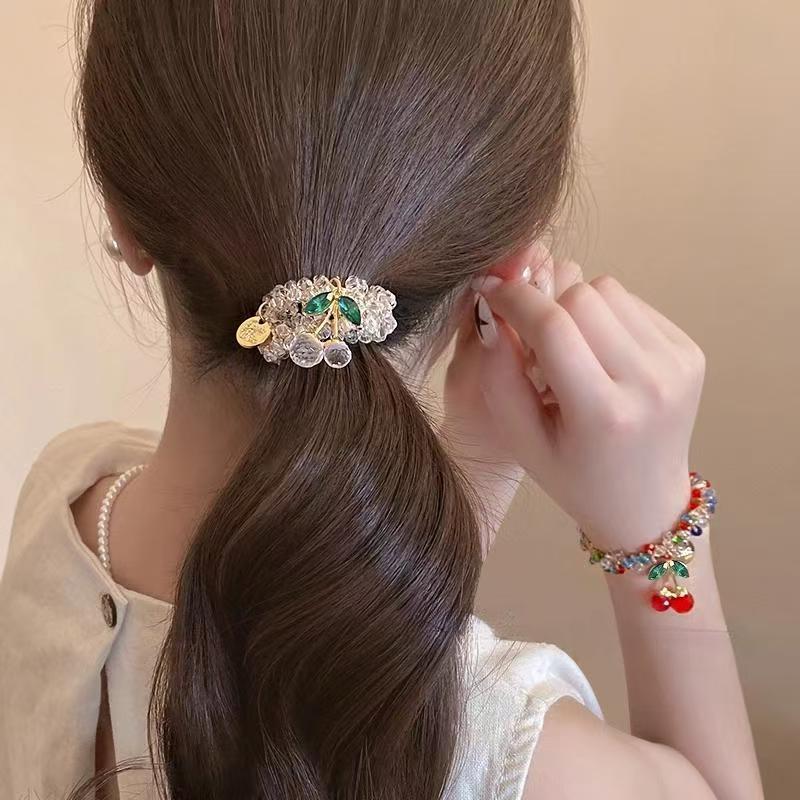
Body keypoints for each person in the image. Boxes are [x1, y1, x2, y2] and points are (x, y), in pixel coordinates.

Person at [0, 1, 763, 799]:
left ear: (122, 217)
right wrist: (658, 531)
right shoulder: (518, 758)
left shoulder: (67, 501)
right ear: (514, 252)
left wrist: (473, 480)